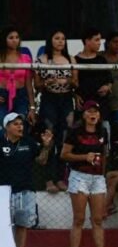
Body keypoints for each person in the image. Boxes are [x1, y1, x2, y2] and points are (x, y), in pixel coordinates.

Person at [60, 100, 115, 247]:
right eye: (90, 112)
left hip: (97, 178)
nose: (93, 115)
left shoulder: (103, 131)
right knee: (79, 218)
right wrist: (84, 157)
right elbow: (64, 154)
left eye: (96, 112)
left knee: (97, 219)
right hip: (79, 176)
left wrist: (102, 174)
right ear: (83, 114)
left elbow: (104, 154)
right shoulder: (74, 132)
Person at [0, 113, 52, 247]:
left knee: (22, 225)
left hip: (25, 190)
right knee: (4, 226)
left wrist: (46, 147)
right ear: (7, 127)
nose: (20, 126)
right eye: (15, 124)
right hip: (3, 191)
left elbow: (41, 161)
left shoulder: (29, 143)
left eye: (21, 124)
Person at [34, 29, 77, 193]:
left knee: (64, 139)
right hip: (49, 100)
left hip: (66, 100)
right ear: (50, 40)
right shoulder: (42, 59)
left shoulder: (70, 59)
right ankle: (48, 179)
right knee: (49, 138)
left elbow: (76, 82)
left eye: (63, 39)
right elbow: (36, 85)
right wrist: (47, 82)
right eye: (57, 38)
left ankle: (60, 177)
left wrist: (70, 81)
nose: (60, 41)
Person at [74, 28, 113, 120]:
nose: (100, 43)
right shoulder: (75, 60)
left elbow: (110, 79)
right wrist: (75, 95)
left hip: (101, 105)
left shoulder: (102, 60)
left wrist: (107, 87)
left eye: (100, 39)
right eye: (96, 40)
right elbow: (72, 82)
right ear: (87, 41)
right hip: (84, 104)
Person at [0, 27, 35, 124]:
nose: (15, 40)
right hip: (2, 96)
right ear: (4, 39)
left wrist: (32, 107)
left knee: (20, 125)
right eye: (11, 38)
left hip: (21, 97)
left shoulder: (26, 58)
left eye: (17, 37)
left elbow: (29, 85)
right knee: (3, 127)